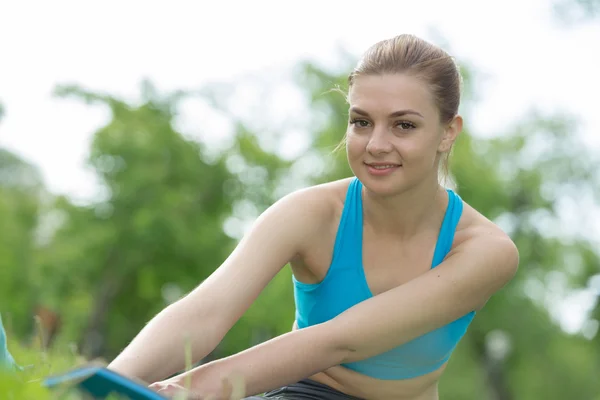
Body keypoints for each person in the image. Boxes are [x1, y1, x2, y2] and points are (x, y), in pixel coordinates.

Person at [107, 34, 519, 400]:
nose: (376, 144)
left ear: (448, 132)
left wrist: (192, 389)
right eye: (361, 122)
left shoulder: (485, 251)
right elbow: (207, 311)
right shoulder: (309, 214)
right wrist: (110, 383)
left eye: (403, 125)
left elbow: (341, 342)